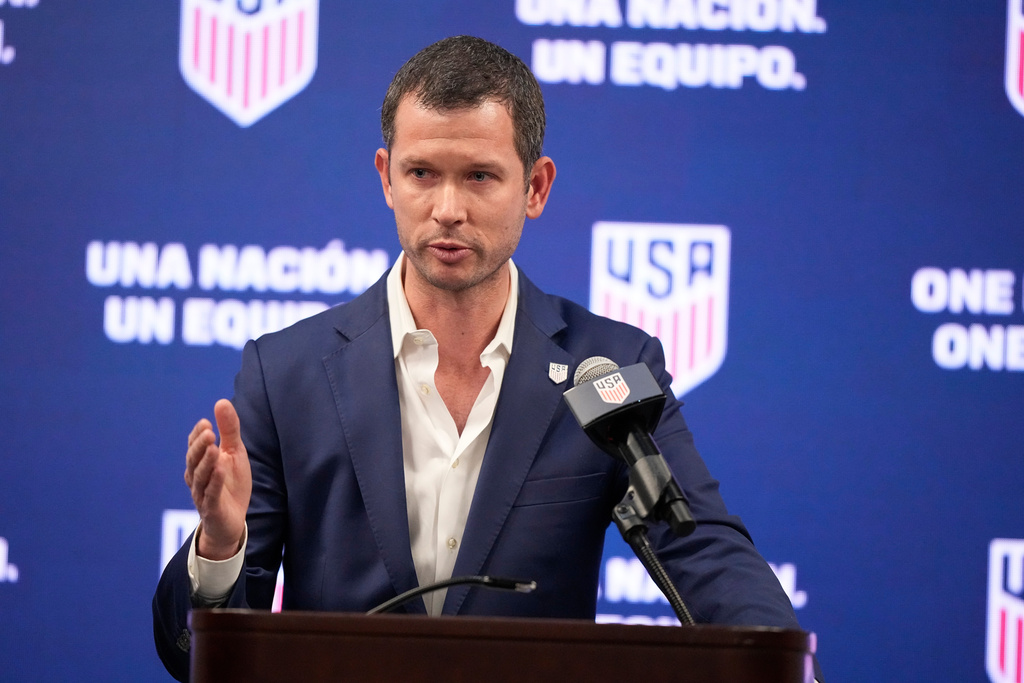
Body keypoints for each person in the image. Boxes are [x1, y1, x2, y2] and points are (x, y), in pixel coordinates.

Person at [153, 35, 821, 682]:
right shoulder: (286, 375)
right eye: (422, 173)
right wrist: (220, 546)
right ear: (386, 178)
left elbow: (703, 549)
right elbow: (196, 656)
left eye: (479, 176)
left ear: (535, 186)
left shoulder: (608, 367)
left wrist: (784, 669)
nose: (447, 209)